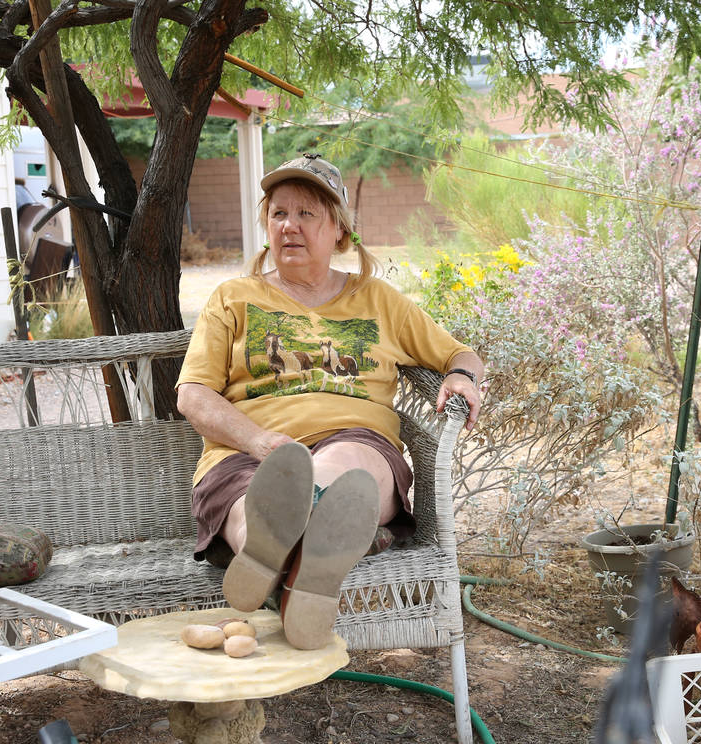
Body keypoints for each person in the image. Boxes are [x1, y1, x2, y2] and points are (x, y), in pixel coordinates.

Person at [175, 154, 483, 649]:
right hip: (246, 454)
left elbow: (458, 353)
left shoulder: (379, 300)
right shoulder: (232, 298)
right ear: (266, 224)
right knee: (256, 499)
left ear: (339, 229)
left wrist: (464, 377)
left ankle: (291, 542)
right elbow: (192, 394)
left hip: (353, 439)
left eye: (306, 214)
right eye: (278, 214)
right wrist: (257, 441)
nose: (289, 227)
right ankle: (295, 554)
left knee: (349, 464)